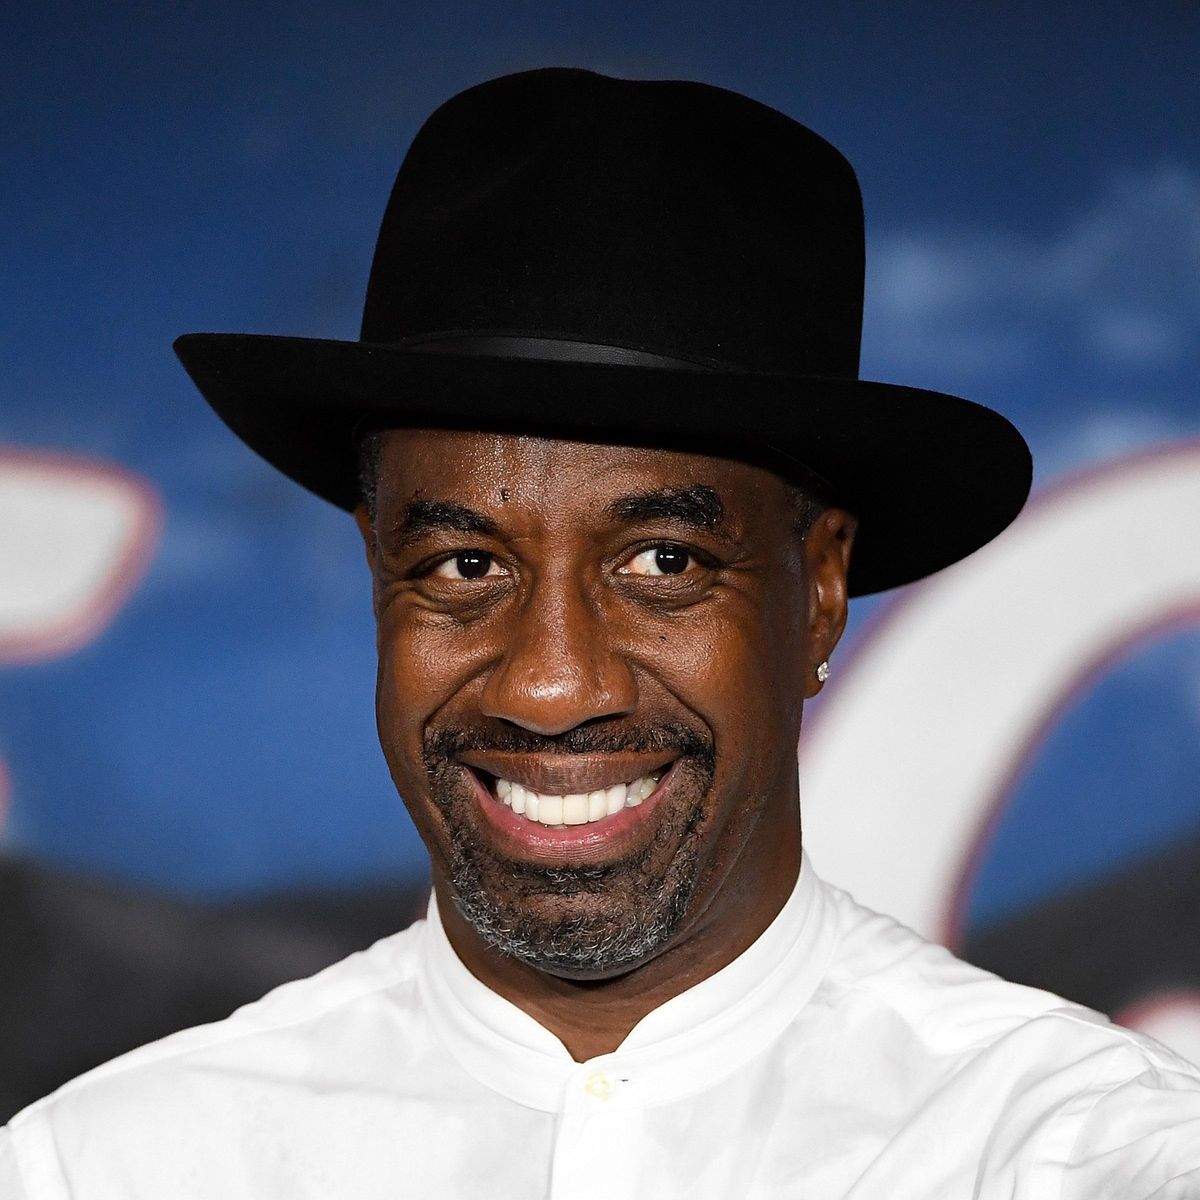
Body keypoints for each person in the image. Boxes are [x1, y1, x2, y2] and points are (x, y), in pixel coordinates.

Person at [2, 67, 1197, 1199]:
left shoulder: (1072, 1154)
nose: (551, 685)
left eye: (664, 562)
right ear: (376, 572)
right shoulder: (109, 1167)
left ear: (821, 590)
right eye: (465, 565)